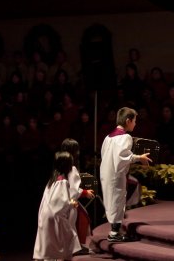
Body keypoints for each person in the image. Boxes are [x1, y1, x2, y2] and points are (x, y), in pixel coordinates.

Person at [100, 107, 152, 242]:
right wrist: (139, 158)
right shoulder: (125, 137)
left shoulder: (107, 137)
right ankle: (114, 232)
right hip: (116, 175)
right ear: (128, 121)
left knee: (113, 200)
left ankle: (114, 229)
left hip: (106, 173)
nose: (135, 124)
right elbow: (122, 157)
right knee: (117, 200)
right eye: (134, 121)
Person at [33, 151, 81, 261]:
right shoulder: (62, 182)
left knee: (49, 243)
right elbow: (60, 202)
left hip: (45, 215)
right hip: (54, 217)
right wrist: (71, 203)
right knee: (68, 240)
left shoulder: (52, 180)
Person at [61, 138, 95, 254]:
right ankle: (74, 248)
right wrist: (85, 193)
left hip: (59, 201)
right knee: (75, 222)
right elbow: (73, 190)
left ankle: (73, 247)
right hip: (69, 202)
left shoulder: (59, 165)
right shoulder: (72, 168)